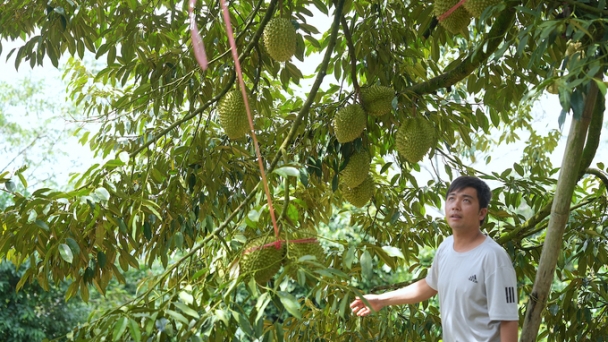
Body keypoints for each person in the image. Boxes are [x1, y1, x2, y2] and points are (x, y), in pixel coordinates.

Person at [350, 175, 519, 342]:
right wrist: (381, 300)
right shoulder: (446, 247)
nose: (456, 206)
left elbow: (508, 320)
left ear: (482, 213)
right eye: (451, 198)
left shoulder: (493, 257)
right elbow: (429, 285)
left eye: (466, 200)